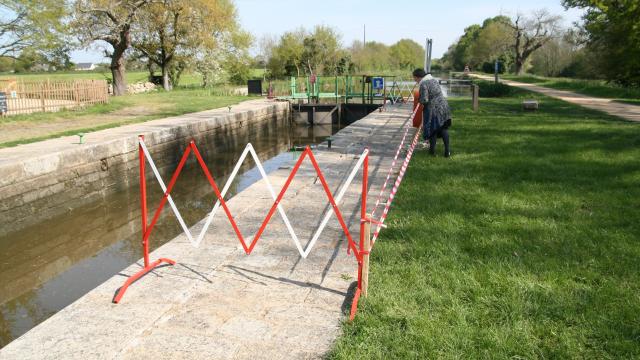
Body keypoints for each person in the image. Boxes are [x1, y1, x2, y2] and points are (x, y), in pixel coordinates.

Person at [412, 68, 451, 157]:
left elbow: (425, 100)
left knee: (433, 130)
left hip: (433, 109)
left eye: (414, 78)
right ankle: (447, 151)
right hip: (444, 106)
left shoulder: (423, 84)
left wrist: (419, 100)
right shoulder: (433, 80)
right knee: (443, 128)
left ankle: (432, 151)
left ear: (418, 77)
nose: (414, 80)